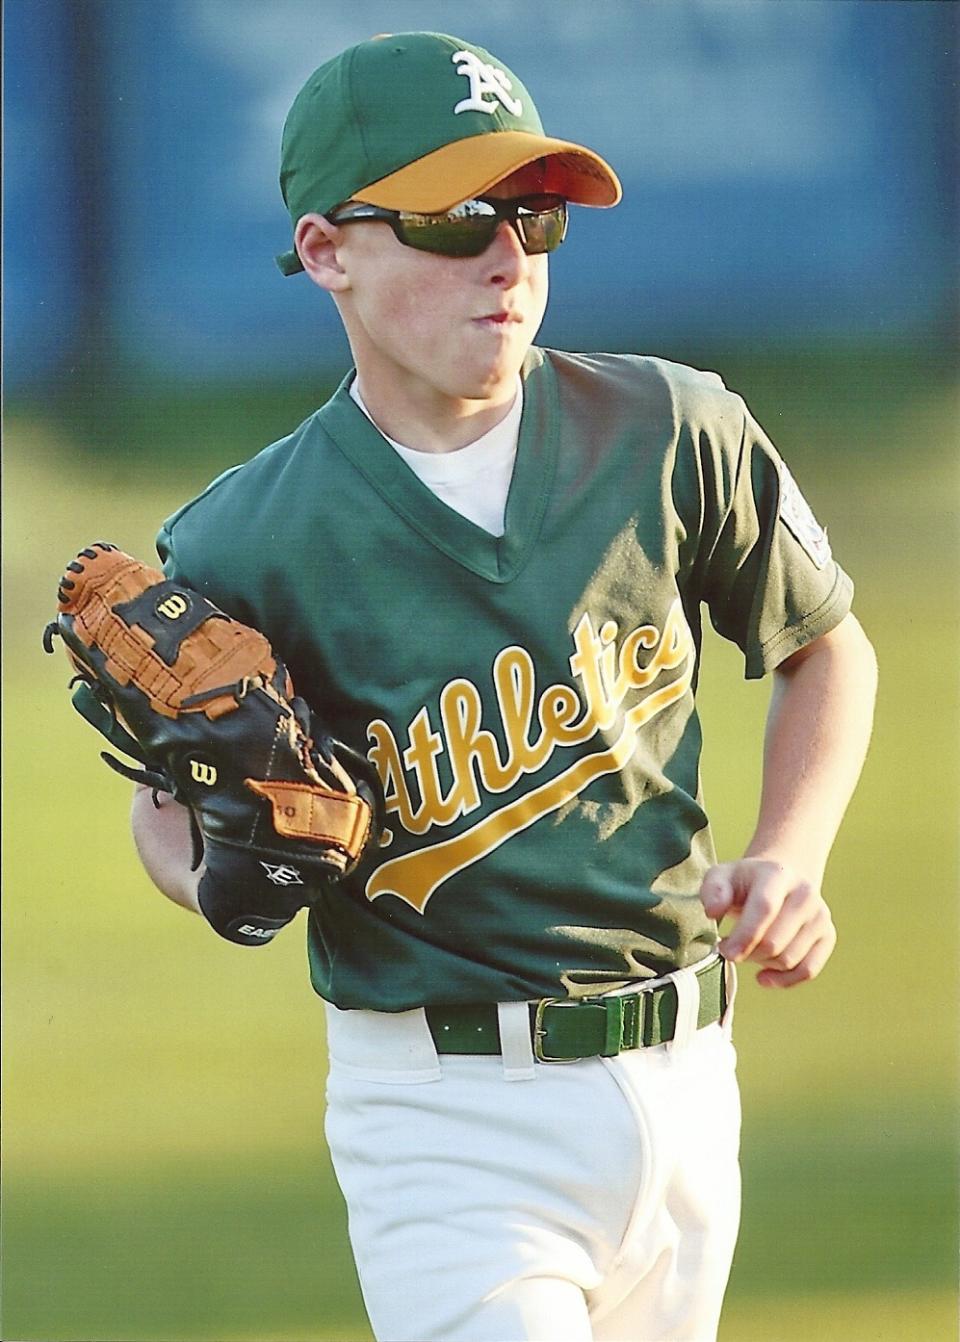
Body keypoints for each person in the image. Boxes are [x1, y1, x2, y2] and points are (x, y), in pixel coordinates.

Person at [131, 31, 877, 1342]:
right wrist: (213, 872)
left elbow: (827, 645)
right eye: (454, 215)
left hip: (689, 1076)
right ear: (326, 251)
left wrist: (791, 853)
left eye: (532, 213)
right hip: (445, 1112)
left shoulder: (673, 429)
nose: (507, 254)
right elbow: (168, 811)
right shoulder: (246, 539)